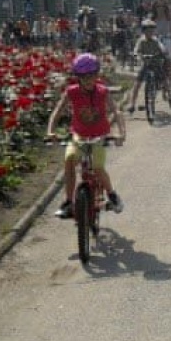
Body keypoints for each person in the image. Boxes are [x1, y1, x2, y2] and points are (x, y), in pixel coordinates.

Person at [46, 53, 126, 219]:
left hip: (99, 136)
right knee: (69, 160)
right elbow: (57, 111)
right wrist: (50, 131)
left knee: (97, 167)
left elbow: (116, 111)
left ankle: (112, 195)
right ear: (78, 77)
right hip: (79, 136)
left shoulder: (102, 92)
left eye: (92, 76)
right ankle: (68, 202)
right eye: (84, 77)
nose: (89, 80)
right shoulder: (72, 92)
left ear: (97, 75)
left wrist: (121, 133)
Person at [127, 19, 171, 112]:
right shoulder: (141, 41)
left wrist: (164, 52)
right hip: (145, 63)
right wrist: (136, 54)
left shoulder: (156, 40)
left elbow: (161, 46)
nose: (150, 32)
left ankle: (170, 97)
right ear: (143, 31)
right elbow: (136, 49)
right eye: (148, 30)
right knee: (137, 83)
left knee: (164, 79)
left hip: (156, 63)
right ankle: (132, 104)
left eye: (152, 30)